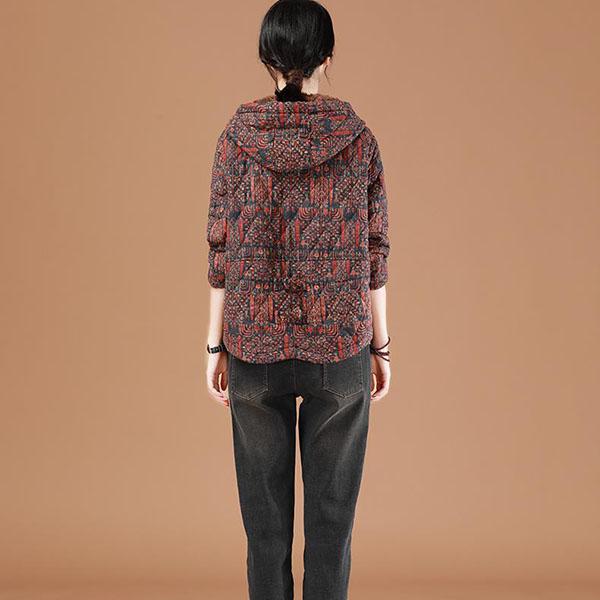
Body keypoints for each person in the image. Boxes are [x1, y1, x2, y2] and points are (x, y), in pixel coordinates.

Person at [205, 1, 391, 598]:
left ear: (267, 59)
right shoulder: (357, 139)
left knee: (264, 533)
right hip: (340, 344)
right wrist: (381, 345)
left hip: (253, 343)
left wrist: (214, 344)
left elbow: (220, 251)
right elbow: (375, 251)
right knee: (332, 529)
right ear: (326, 59)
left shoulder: (236, 140)